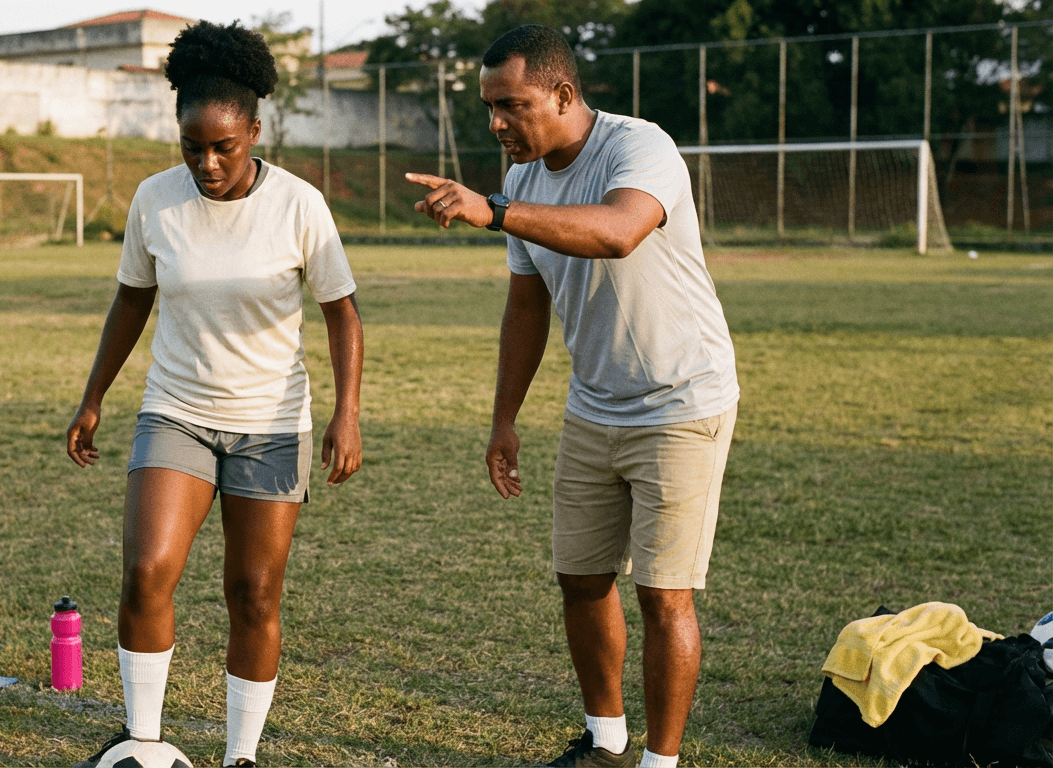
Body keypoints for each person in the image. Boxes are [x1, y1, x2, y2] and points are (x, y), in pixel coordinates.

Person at [407, 24, 739, 768]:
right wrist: (504, 419)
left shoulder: (638, 147)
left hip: (681, 401)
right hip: (594, 404)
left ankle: (661, 762)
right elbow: (527, 305)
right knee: (581, 578)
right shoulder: (523, 179)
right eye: (489, 108)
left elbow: (619, 231)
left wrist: (493, 210)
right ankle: (606, 741)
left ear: (562, 94)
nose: (497, 124)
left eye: (512, 106)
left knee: (664, 595)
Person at [65, 19, 364, 768]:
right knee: (146, 572)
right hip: (177, 412)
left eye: (223, 146)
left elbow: (343, 313)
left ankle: (242, 756)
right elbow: (132, 300)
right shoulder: (154, 201)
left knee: (254, 593)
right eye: (191, 146)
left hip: (272, 424)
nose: (206, 163)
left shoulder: (299, 205)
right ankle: (142, 743)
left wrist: (347, 413)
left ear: (255, 132)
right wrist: (94, 396)